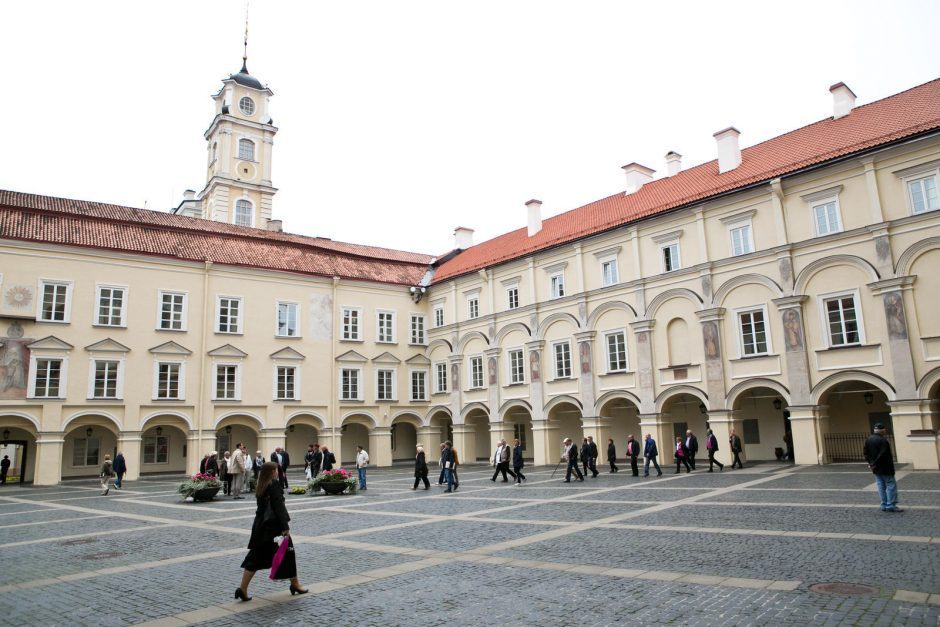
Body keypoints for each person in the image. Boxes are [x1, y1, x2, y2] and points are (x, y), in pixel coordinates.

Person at [236, 461, 308, 601]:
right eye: (275, 470)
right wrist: (285, 527)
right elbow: (279, 507)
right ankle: (295, 584)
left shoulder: (260, 485)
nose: (277, 472)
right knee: (288, 552)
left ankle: (242, 589)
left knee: (255, 557)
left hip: (261, 527)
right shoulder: (273, 484)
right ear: (271, 472)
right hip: (275, 528)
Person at [864, 423, 902, 512]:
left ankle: (884, 504)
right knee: (890, 485)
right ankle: (891, 505)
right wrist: (875, 463)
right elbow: (883, 454)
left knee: (880, 485)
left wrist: (871, 463)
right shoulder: (883, 440)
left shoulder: (868, 439)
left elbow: (866, 453)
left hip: (876, 468)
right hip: (885, 467)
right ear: (883, 430)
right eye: (884, 430)